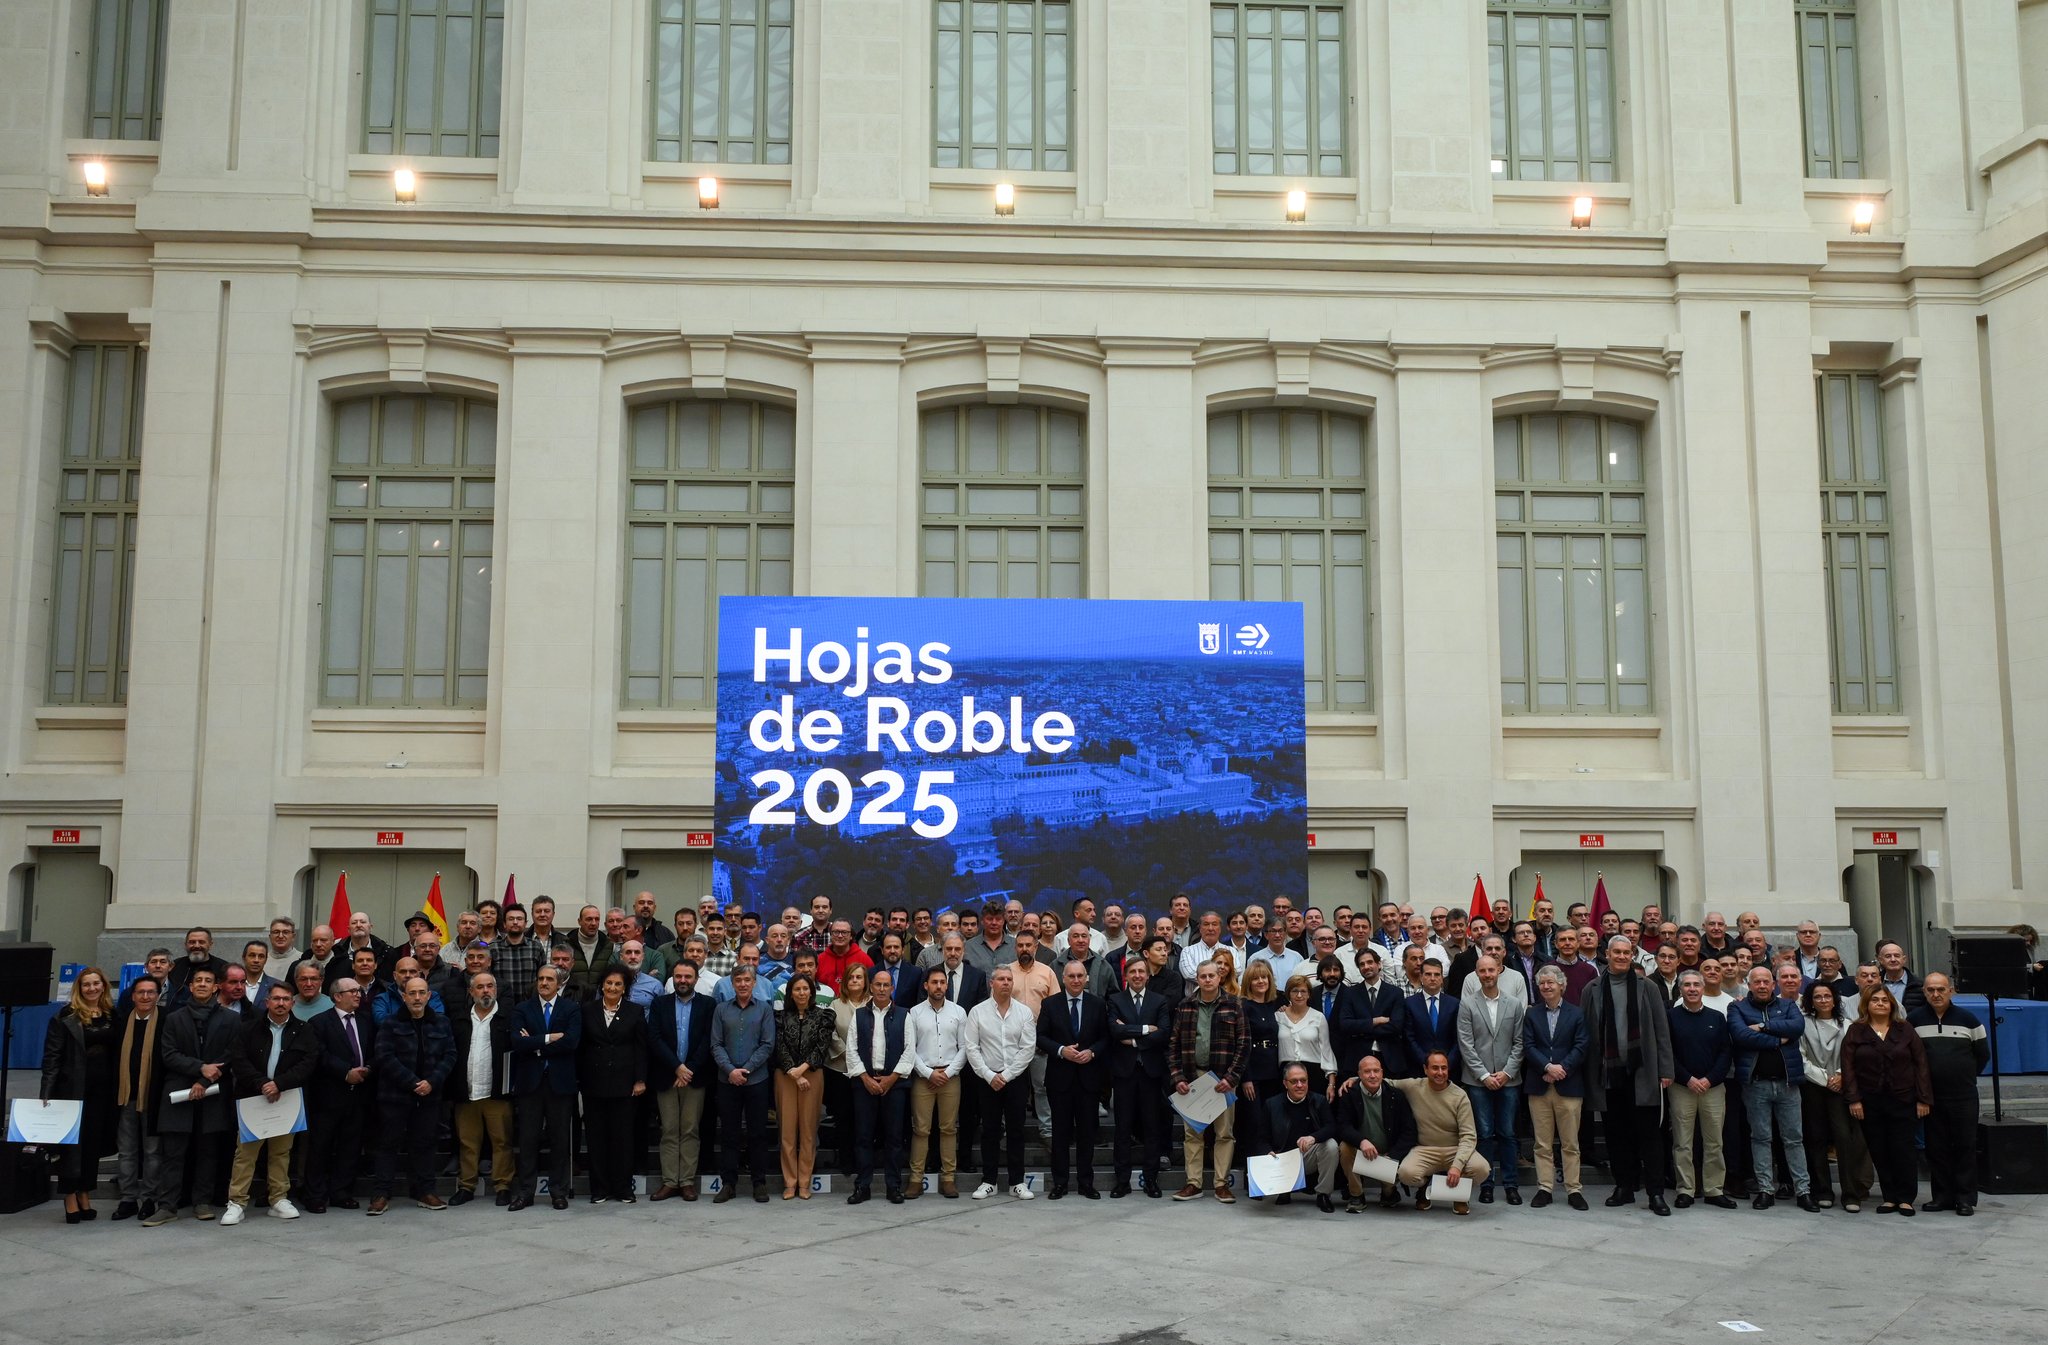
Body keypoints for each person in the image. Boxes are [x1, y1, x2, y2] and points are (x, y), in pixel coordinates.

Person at [1581, 935, 1675, 1215]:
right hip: (1609, 1073)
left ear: (1633, 954)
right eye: (1616, 952)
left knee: (1649, 1135)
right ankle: (1624, 1187)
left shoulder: (1648, 988)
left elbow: (1661, 1030)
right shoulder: (1592, 989)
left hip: (1643, 1072)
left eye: (1626, 952)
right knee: (1616, 1134)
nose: (1621, 956)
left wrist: (1666, 1069)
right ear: (1606, 954)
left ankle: (1656, 1193)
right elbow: (1586, 1033)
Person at [221, 983, 316, 1225]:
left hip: (286, 1099)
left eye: (286, 999)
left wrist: (280, 1084)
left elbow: (308, 1062)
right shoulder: (248, 1029)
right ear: (267, 1002)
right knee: (245, 1153)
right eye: (276, 999)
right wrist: (262, 1083)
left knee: (281, 1152)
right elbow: (238, 1060)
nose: (281, 1003)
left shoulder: (304, 1030)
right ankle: (237, 1202)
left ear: (292, 1003)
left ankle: (279, 1199)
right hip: (253, 1097)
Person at [1728, 963, 1816, 1211]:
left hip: (1788, 1084)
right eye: (1757, 981)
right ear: (1749, 984)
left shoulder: (1788, 1006)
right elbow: (1741, 1035)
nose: (1762, 985)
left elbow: (1797, 1027)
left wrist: (1763, 1027)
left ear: (1773, 984)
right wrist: (1779, 1038)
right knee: (1761, 1138)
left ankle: (1803, 1191)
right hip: (1756, 1086)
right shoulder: (1737, 1007)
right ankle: (1766, 1189)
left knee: (1794, 1139)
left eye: (1767, 981)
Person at [153, 965, 236, 1224]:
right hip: (179, 1093)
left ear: (216, 987)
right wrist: (199, 1068)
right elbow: (168, 1054)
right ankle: (167, 1206)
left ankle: (202, 1202)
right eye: (197, 980)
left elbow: (230, 1055)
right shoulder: (174, 1018)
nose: (202, 984)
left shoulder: (230, 1019)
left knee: (207, 1153)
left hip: (212, 1093)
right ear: (190, 987)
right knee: (173, 1154)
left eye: (207, 980)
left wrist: (203, 1080)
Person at [39, 967, 120, 1223]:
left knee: (92, 1146)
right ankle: (69, 1195)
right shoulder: (65, 1016)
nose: (92, 988)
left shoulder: (112, 1014)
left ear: (104, 986)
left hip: (104, 1093)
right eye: (86, 984)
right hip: (72, 1091)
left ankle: (85, 1191)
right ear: (79, 988)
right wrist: (46, 1093)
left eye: (96, 983)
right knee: (72, 1146)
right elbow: (52, 1057)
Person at [1842, 985, 1931, 1215]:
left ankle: (1905, 1198)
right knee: (1879, 1150)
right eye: (1875, 1000)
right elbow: (1848, 1067)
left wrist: (1923, 1099)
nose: (1880, 1003)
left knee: (1903, 1149)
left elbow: (1921, 1064)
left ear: (1891, 1004)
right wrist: (1854, 1099)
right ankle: (1889, 1197)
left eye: (1884, 1000)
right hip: (1869, 1101)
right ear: (1867, 1005)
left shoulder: (1905, 1029)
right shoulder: (1856, 1031)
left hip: (1903, 1099)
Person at [370, 977, 453, 1214]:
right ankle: (381, 1193)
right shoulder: (390, 1024)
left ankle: (425, 1191)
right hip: (394, 1097)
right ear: (403, 996)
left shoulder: (442, 1023)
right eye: (412, 993)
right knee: (388, 1145)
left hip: (429, 1096)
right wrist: (413, 1082)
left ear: (429, 996)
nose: (417, 998)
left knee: (425, 1145)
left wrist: (432, 1082)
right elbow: (384, 1056)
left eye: (421, 993)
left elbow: (450, 1055)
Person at [1911, 972, 1990, 1215]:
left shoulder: (1969, 1020)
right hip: (1931, 1098)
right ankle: (1942, 1197)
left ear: (1951, 991)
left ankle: (1965, 1198)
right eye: (1931, 990)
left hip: (1963, 1096)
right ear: (1924, 992)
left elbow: (1982, 1056)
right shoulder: (1913, 1021)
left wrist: (1962, 1076)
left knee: (1965, 1146)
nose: (1936, 994)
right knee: (1937, 1148)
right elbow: (1911, 1058)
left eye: (1941, 989)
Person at [1168, 961, 1247, 1204]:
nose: (1208, 980)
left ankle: (1221, 1184)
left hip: (1223, 1081)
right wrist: (1178, 1077)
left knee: (1224, 1134)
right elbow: (1173, 1045)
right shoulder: (1185, 1005)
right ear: (1197, 979)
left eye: (1212, 975)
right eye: (1203, 976)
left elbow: (1243, 1044)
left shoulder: (1234, 1004)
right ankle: (1193, 1183)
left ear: (1219, 978)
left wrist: (1231, 1078)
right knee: (1193, 1134)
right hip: (1193, 1080)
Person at [509, 966, 582, 1211]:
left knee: (560, 1139)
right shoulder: (522, 1009)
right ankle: (526, 1191)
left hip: (560, 1083)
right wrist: (549, 1039)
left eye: (549, 979)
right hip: (530, 1083)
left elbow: (572, 1042)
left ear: (559, 983)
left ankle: (558, 1191)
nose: (544, 983)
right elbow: (518, 1043)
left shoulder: (570, 1008)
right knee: (528, 1139)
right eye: (540, 979)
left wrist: (536, 1044)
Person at [964, 964, 1039, 1200]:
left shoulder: (1024, 1012)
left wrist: (1006, 1076)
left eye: (1009, 979)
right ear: (991, 983)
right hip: (987, 1079)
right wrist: (989, 1075)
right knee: (990, 1131)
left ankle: (1017, 1182)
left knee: (1016, 1130)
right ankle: (989, 1181)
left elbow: (1028, 1049)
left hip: (1015, 1079)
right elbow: (971, 1047)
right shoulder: (977, 1012)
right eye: (1001, 979)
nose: (1006, 983)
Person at [1454, 955, 1525, 1205]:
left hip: (1509, 1079)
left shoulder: (1514, 1004)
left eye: (1491, 970)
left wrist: (1506, 1072)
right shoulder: (1468, 1004)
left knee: (1507, 1133)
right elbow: (1466, 1043)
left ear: (1498, 971)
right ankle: (1486, 1185)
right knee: (1483, 1134)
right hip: (1478, 1081)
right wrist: (1484, 1075)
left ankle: (1511, 1185)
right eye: (1482, 971)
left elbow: (1520, 1042)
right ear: (1477, 973)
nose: (1487, 975)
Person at [1035, 959, 1107, 1200]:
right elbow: (1040, 1037)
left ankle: (1086, 1183)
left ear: (1086, 978)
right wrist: (1060, 1050)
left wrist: (1093, 1051)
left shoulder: (1098, 1005)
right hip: (1060, 1079)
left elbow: (1106, 1038)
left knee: (1087, 1134)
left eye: (1080, 976)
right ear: (1063, 979)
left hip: (1089, 1080)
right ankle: (1060, 1183)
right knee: (1060, 1134)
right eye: (1071, 976)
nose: (1076, 980)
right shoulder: (1050, 1004)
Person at [300, 979, 375, 1213]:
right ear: (336, 996)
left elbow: (375, 1049)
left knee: (350, 1147)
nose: (358, 995)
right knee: (320, 1147)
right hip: (328, 1095)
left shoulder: (366, 1021)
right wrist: (345, 1073)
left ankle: (341, 1192)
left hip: (359, 1094)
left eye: (358, 991)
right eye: (352, 991)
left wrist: (368, 1068)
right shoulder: (319, 1022)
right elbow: (319, 1055)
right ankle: (315, 1195)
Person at [1666, 969, 1735, 1210]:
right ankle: (1685, 1189)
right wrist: (1688, 1079)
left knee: (1714, 1140)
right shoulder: (1671, 1017)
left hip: (1713, 1088)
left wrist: (1709, 1079)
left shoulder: (1717, 1017)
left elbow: (1726, 1052)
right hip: (1682, 1087)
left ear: (1703, 988)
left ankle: (1714, 1189)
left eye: (1697, 984)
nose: (1693, 989)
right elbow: (1668, 1054)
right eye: (1687, 985)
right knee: (1683, 1142)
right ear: (1681, 989)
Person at [1799, 979, 1870, 1212]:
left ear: (1834, 999)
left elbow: (1854, 1056)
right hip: (1814, 1087)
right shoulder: (1803, 1024)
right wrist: (1824, 1079)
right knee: (1816, 1138)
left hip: (1841, 1088)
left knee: (1844, 1139)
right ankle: (1822, 1190)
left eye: (1827, 996)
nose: (1823, 1000)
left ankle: (1851, 1194)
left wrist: (1840, 1076)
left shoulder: (1848, 1025)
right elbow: (1801, 1059)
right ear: (1811, 1001)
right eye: (1817, 997)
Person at [577, 968, 647, 1205]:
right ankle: (599, 1188)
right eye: (609, 983)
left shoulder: (635, 1011)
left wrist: (640, 1079)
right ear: (602, 985)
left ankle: (623, 1188)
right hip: (593, 1085)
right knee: (596, 1139)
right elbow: (581, 1046)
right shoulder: (588, 1010)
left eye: (618, 984)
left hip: (625, 1085)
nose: (613, 988)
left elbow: (641, 1048)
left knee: (623, 1139)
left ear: (624, 988)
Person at [647, 960, 715, 1202]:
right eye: (678, 976)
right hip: (667, 1076)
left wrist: (689, 1070)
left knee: (689, 1130)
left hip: (694, 1078)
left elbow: (708, 1040)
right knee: (669, 1130)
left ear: (696, 979)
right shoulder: (659, 1003)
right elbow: (654, 1038)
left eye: (688, 976)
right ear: (672, 979)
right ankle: (669, 1182)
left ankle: (686, 1181)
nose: (683, 981)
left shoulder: (708, 1005)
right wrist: (677, 1067)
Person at [1521, 965, 1588, 1210]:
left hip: (1568, 1086)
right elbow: (1528, 1046)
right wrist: (1547, 1068)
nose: (1546, 987)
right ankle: (1545, 1188)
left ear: (1562, 985)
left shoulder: (1577, 1013)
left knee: (1570, 1143)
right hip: (1539, 1085)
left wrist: (1562, 1069)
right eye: (1542, 983)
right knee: (1542, 1143)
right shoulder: (1532, 1014)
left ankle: (1574, 1189)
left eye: (1551, 982)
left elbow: (1581, 1046)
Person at [445, 970, 515, 1207]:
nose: (485, 991)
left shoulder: (508, 1018)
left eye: (490, 986)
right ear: (471, 992)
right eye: (480, 987)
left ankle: (503, 1185)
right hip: (467, 1092)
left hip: (497, 1092)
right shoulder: (460, 1019)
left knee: (502, 1141)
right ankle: (466, 1186)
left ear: (496, 990)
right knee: (467, 1142)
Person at [1390, 1050, 1489, 1213]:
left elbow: (1469, 1136)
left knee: (1482, 1169)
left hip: (1454, 1149)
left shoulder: (1459, 1095)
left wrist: (1457, 1166)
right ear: (1425, 1069)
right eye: (1435, 1068)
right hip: (1425, 1149)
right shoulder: (1414, 1086)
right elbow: (1386, 1082)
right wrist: (1354, 1080)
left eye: (1444, 1068)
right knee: (1406, 1173)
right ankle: (1424, 1189)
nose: (1440, 1072)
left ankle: (1459, 1195)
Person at [845, 968, 913, 1203]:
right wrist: (865, 1078)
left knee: (894, 1138)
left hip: (894, 1085)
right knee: (863, 1137)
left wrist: (891, 1079)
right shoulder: (859, 1015)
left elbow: (909, 1051)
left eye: (886, 985)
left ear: (892, 988)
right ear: (871, 987)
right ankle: (862, 1186)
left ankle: (893, 1186)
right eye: (878, 985)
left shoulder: (905, 1015)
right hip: (864, 1084)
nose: (882, 989)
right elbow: (851, 1049)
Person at [1106, 956, 1172, 1198]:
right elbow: (1114, 1030)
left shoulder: (1159, 1001)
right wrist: (1145, 1030)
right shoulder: (1115, 999)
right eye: (1132, 971)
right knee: (1122, 1128)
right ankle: (1122, 1181)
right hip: (1124, 1074)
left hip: (1151, 1073)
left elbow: (1164, 1033)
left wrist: (1132, 1039)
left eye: (1141, 972)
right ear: (1126, 975)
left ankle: (1151, 1180)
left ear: (1147, 975)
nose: (1137, 975)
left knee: (1152, 1128)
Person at [711, 964, 776, 1204]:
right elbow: (715, 1044)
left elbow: (768, 1044)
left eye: (747, 980)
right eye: (738, 980)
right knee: (729, 1134)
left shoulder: (765, 1010)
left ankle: (759, 1183)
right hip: (727, 1081)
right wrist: (731, 1070)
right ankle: (729, 1184)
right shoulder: (720, 1009)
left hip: (756, 1080)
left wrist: (745, 1069)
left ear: (754, 982)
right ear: (732, 982)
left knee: (758, 1133)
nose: (743, 984)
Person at [905, 964, 968, 1199]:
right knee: (921, 1129)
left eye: (942, 982)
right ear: (926, 986)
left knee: (949, 1128)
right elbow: (909, 1049)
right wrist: (928, 1073)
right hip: (924, 1078)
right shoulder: (914, 1013)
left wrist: (948, 1073)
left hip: (951, 1078)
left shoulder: (959, 1012)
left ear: (947, 985)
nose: (939, 986)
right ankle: (915, 1179)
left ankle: (948, 1178)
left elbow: (964, 1048)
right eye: (934, 982)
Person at [774, 972, 836, 1199]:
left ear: (812, 992)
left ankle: (804, 1182)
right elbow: (779, 1046)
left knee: (809, 1131)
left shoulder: (823, 1016)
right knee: (787, 1131)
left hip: (812, 1075)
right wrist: (793, 1071)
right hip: (785, 1076)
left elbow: (822, 1046)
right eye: (797, 989)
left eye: (805, 989)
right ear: (790, 992)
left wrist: (802, 1070)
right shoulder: (780, 1016)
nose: (801, 993)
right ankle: (789, 1182)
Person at [110, 975, 166, 1221]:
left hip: (154, 1098)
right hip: (126, 1097)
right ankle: (128, 1198)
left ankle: (150, 1198)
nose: (145, 997)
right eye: (141, 992)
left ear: (158, 995)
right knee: (127, 1151)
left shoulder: (167, 1021)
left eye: (150, 992)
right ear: (132, 996)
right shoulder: (121, 1022)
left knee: (153, 1151)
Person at [1333, 1051, 1416, 1210]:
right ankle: (1356, 1195)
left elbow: (1409, 1132)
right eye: (1367, 1071)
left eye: (1376, 1071)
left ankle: (1388, 1192)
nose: (1372, 1075)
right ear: (1359, 1075)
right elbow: (1343, 1126)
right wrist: (1361, 1141)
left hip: (1389, 1153)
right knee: (1344, 1147)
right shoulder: (1349, 1094)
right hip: (1361, 1150)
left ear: (1382, 1073)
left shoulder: (1396, 1095)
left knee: (1393, 1176)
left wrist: (1393, 1155)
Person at [1263, 1062, 1341, 1211]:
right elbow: (1261, 1138)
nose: (1300, 1085)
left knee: (1331, 1145)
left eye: (1303, 1080)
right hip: (1282, 1160)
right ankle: (1284, 1189)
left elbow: (1332, 1127)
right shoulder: (1272, 1104)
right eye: (1294, 1081)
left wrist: (1313, 1137)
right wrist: (1268, 1151)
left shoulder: (1319, 1101)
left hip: (1306, 1157)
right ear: (1285, 1083)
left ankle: (1323, 1195)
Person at [1277, 971, 1340, 1098]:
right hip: (1286, 1074)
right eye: (1295, 991)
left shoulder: (1318, 1017)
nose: (1299, 995)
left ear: (1309, 994)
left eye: (1303, 991)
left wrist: (1331, 1084)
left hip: (1314, 1074)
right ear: (1288, 993)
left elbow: (1326, 1051)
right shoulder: (1278, 1016)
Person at [1403, 959, 1460, 1079]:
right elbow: (1409, 1037)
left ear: (1442, 978)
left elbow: (1458, 1038)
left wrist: (1446, 1064)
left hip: (1448, 1070)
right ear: (1421, 977)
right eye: (1428, 974)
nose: (1433, 978)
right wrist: (1427, 1063)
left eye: (1437, 974)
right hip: (1419, 1069)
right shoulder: (1409, 1003)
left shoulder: (1454, 1004)